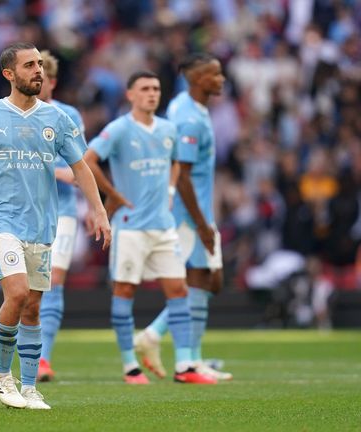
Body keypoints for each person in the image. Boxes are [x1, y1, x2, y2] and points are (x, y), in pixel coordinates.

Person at [0, 42, 111, 410]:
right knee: (18, 293)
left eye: (40, 64)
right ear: (9, 74)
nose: (38, 70)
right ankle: (1, 376)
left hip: (41, 224)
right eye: (29, 65)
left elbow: (81, 167)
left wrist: (98, 210)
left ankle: (30, 386)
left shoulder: (57, 119)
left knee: (33, 308)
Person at [84, 70, 216, 385]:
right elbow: (88, 160)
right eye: (144, 89)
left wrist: (170, 191)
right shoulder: (118, 129)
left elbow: (175, 163)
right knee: (125, 290)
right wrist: (112, 194)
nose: (152, 94)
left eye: (156, 88)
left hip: (162, 225)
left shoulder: (169, 130)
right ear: (130, 95)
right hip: (130, 227)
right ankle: (130, 366)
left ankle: (185, 366)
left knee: (178, 290)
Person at [132, 53, 233, 381]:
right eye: (214, 74)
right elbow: (184, 174)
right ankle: (174, 351)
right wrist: (202, 224)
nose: (221, 79)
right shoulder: (189, 118)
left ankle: (191, 356)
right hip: (190, 213)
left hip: (197, 209)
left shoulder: (185, 107)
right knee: (201, 280)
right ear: (196, 79)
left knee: (205, 281)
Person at [33, 50, 86, 382]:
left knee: (54, 281)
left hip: (62, 211)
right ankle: (23, 355)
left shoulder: (67, 115)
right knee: (24, 289)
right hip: (23, 211)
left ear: (51, 82)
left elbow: (80, 167)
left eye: (41, 80)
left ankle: (43, 359)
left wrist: (49, 167)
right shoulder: (9, 115)